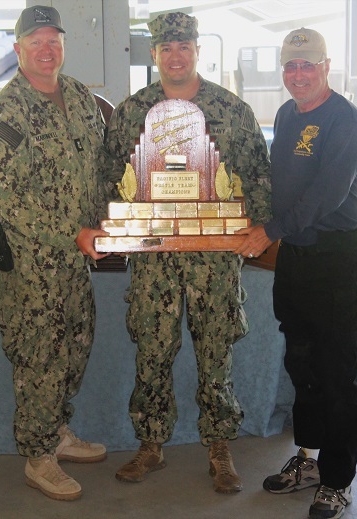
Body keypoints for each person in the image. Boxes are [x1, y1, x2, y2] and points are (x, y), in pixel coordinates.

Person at [105, 12, 271, 493]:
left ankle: (219, 446)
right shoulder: (134, 110)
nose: (175, 56)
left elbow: (257, 174)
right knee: (153, 350)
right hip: (155, 255)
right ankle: (151, 445)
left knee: (215, 351)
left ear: (197, 50)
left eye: (184, 46)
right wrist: (113, 228)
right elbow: (109, 176)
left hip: (214, 257)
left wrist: (255, 231)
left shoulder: (229, 109)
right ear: (154, 54)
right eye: (166, 48)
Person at [234, 28, 357, 519]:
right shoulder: (289, 114)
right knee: (302, 362)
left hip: (336, 257)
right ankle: (308, 461)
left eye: (306, 65)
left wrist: (267, 231)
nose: (297, 75)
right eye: (290, 66)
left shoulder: (347, 123)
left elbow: (325, 197)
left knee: (337, 372)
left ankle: (338, 480)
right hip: (295, 255)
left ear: (326, 66)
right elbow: (281, 183)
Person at [0, 5, 109, 502]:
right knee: (40, 355)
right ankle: (37, 456)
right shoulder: (5, 112)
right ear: (18, 50)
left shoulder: (77, 95)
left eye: (54, 39)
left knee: (75, 345)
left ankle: (56, 430)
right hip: (35, 262)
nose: (46, 48)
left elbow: (96, 167)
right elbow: (10, 198)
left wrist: (106, 223)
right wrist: (72, 231)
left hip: (79, 257)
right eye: (36, 42)